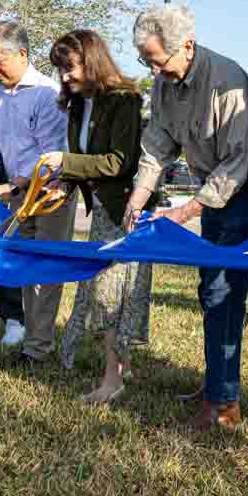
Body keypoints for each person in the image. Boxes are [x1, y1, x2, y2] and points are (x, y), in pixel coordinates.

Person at [124, 3, 248, 431]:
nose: (152, 69)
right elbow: (157, 144)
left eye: (156, 60)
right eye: (145, 61)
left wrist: (186, 210)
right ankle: (216, 384)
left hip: (244, 195)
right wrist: (139, 195)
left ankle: (224, 407)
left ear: (187, 45)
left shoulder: (229, 82)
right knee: (209, 292)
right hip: (212, 195)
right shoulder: (164, 85)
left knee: (222, 293)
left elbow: (239, 161)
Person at [43, 29, 153, 403]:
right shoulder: (76, 103)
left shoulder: (125, 100)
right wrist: (63, 181)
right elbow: (86, 164)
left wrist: (67, 162)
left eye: (70, 68)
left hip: (125, 214)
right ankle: (121, 367)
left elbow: (120, 163)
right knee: (105, 295)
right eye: (59, 69)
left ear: (91, 60)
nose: (64, 77)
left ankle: (113, 380)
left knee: (112, 297)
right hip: (101, 214)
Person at [0, 20, 76, 362]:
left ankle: (38, 348)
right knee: (25, 267)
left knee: (45, 269)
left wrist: (13, 184)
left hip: (50, 192)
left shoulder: (48, 94)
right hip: (15, 194)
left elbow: (50, 154)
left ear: (23, 54)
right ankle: (32, 338)